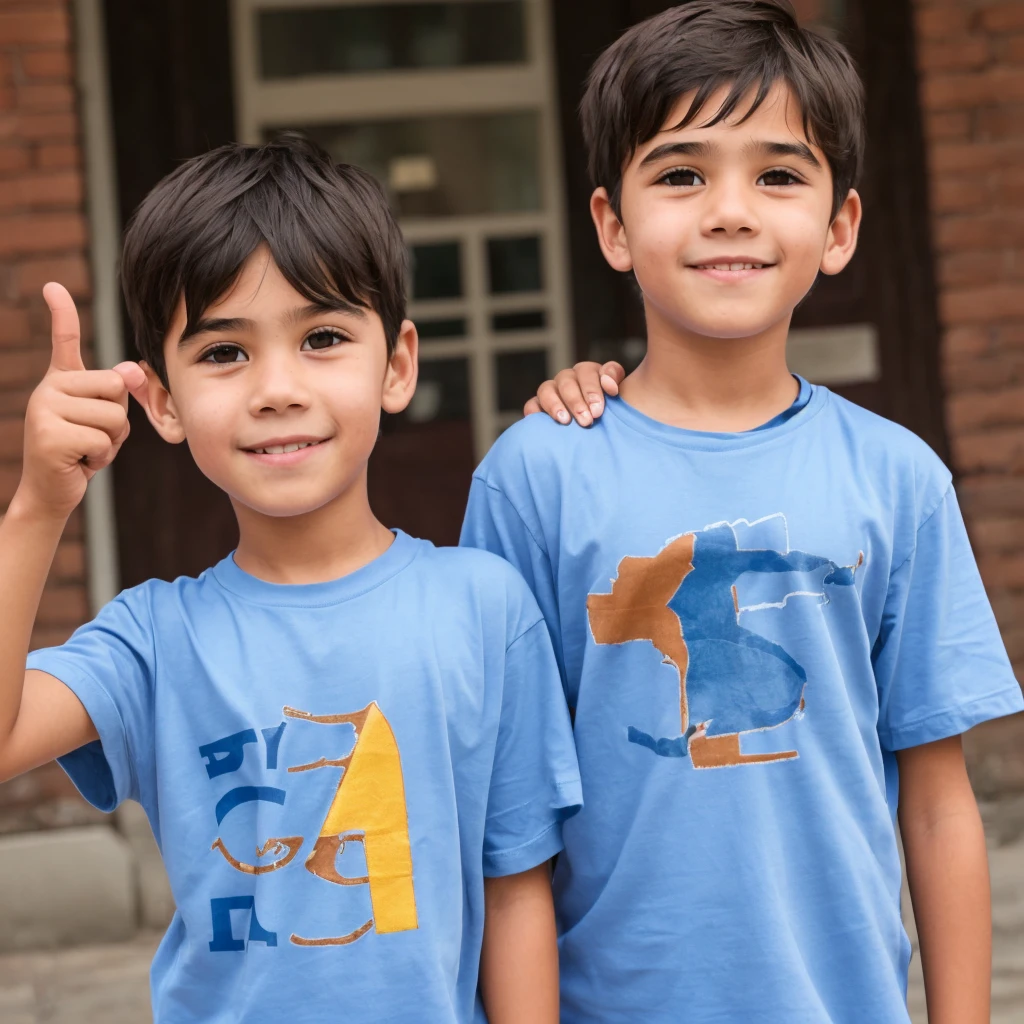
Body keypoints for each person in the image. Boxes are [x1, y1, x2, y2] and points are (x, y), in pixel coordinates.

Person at [460, 3, 1023, 1022]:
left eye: (777, 173)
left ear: (840, 226)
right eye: (681, 174)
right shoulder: (534, 475)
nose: (729, 210)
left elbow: (938, 805)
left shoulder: (897, 478)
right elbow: (507, 822)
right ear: (611, 226)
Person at [0, 135, 581, 1024]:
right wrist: (38, 506)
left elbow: (515, 889)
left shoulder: (484, 606)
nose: (277, 387)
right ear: (161, 400)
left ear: (396, 365)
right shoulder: (156, 639)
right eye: (225, 353)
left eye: (322, 338)